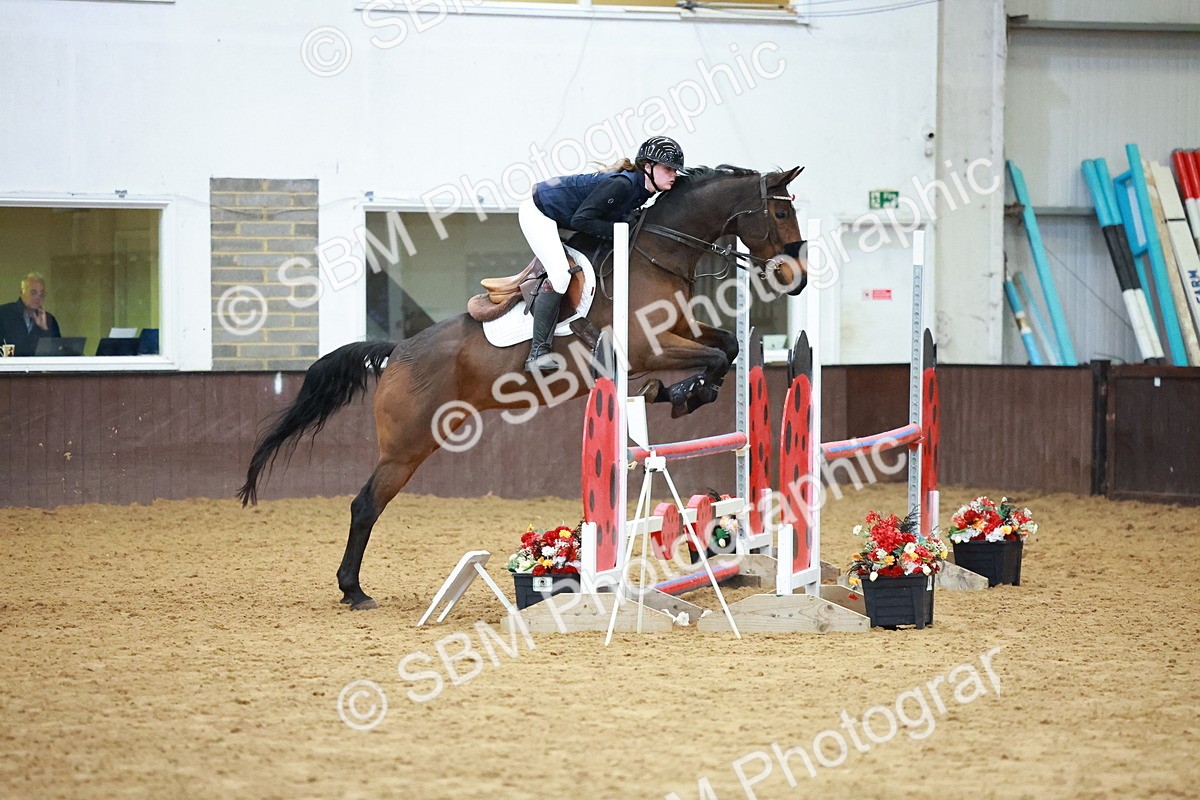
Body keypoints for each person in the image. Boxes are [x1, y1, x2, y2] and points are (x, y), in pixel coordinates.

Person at [519, 135, 685, 373]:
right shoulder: (624, 185)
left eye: (675, 171)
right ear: (647, 167)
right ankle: (538, 351)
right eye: (668, 169)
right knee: (560, 275)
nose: (674, 175)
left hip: (562, 216)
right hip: (539, 212)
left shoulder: (643, 191)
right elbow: (582, 219)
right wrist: (620, 231)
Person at [0, 272, 62, 356]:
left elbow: (58, 354)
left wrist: (45, 330)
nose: (38, 297)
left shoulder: (49, 320)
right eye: (33, 293)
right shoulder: (4, 314)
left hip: (39, 368)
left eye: (41, 294)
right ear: (21, 292)